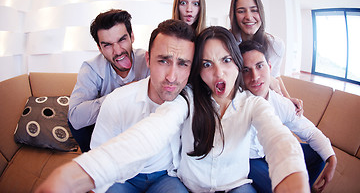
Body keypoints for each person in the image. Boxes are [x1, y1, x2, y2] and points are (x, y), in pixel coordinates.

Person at [36, 26, 309, 193]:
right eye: (206, 64)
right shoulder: (179, 100)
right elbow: (149, 133)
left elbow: (277, 136)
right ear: (148, 60)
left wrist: (292, 174)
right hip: (136, 178)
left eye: (226, 60)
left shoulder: (248, 103)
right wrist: (75, 175)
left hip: (194, 181)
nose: (171, 76)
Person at [88, 19, 195, 192]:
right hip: (122, 178)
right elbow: (97, 160)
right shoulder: (117, 102)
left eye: (183, 64)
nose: (172, 77)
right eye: (163, 61)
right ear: (148, 59)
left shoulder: (191, 101)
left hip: (166, 176)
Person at [239, 40, 337, 193]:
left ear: (270, 67)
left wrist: (331, 159)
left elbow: (310, 132)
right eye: (246, 70)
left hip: (272, 152)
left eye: (259, 66)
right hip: (250, 160)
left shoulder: (281, 103)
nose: (255, 76)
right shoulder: (234, 103)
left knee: (318, 153)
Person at [68, 9, 150, 152]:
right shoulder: (91, 68)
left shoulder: (148, 60)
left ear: (132, 37)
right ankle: (95, 166)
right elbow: (75, 117)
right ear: (99, 48)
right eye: (107, 45)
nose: (117, 51)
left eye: (122, 40)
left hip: (140, 133)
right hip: (107, 137)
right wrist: (121, 95)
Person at [229, 0, 303, 114]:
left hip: (263, 104)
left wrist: (287, 99)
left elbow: (275, 75)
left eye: (254, 10)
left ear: (261, 13)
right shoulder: (227, 43)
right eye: (241, 11)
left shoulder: (275, 45)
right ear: (234, 16)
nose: (248, 16)